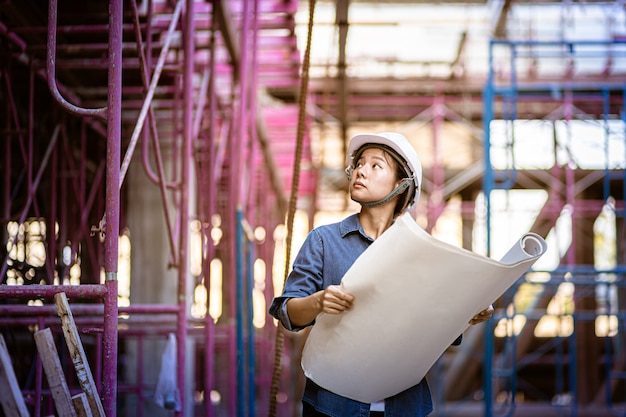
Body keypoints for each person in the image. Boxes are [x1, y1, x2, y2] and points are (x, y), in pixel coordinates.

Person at [269, 132, 494, 417]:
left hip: (403, 406)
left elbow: (434, 329)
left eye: (375, 166)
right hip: (333, 405)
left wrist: (464, 314)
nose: (360, 170)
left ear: (401, 186)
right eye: (359, 164)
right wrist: (318, 302)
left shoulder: (422, 254)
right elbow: (288, 314)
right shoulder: (324, 241)